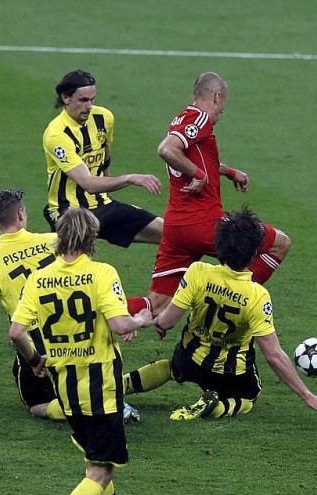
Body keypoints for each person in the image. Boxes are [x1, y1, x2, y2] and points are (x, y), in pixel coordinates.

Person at [0, 188, 163, 423]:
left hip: (37, 347)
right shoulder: (55, 241)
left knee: (35, 405)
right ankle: (118, 388)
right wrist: (122, 316)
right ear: (21, 214)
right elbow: (91, 280)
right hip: (81, 334)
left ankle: (88, 406)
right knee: (89, 374)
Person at [9, 207, 153, 495]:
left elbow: (15, 332)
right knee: (100, 471)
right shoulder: (102, 273)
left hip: (65, 390)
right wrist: (143, 319)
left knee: (97, 464)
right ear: (92, 239)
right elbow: (121, 324)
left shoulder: (39, 280)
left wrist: (35, 359)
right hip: (102, 387)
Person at [151, 206, 317, 422]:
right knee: (249, 396)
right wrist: (307, 396)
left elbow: (167, 321)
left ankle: (121, 384)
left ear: (218, 245)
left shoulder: (197, 271)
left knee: (171, 368)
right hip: (231, 373)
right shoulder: (257, 295)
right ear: (253, 253)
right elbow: (273, 355)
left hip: (189, 358)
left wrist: (158, 322)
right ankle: (214, 408)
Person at [125, 72, 291, 316]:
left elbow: (192, 156)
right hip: (204, 223)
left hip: (175, 228)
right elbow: (167, 149)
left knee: (157, 305)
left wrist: (227, 171)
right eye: (222, 109)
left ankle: (97, 309)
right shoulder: (200, 118)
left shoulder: (182, 119)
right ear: (216, 97)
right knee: (280, 244)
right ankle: (231, 306)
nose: (220, 115)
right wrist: (199, 175)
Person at [43, 69, 164, 248]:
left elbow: (104, 157)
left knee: (170, 233)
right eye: (83, 100)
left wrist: (107, 186)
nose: (90, 106)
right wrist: (130, 178)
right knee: (75, 264)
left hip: (102, 204)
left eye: (92, 99)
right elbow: (88, 184)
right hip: (69, 212)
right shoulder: (57, 134)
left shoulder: (104, 118)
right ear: (65, 98)